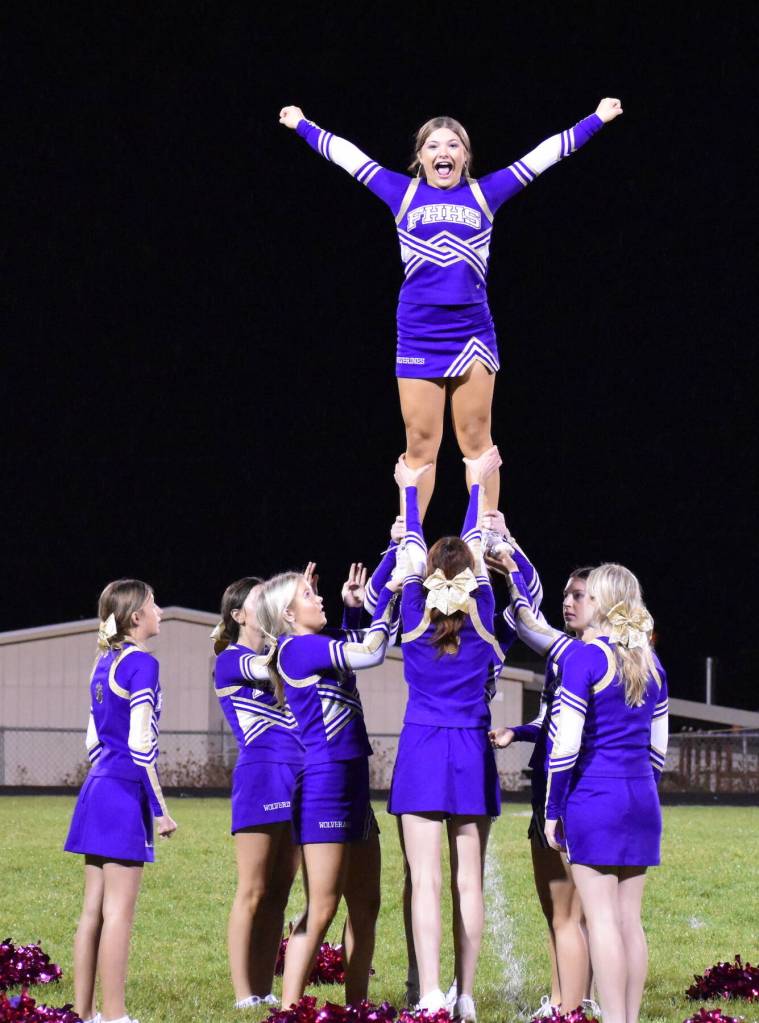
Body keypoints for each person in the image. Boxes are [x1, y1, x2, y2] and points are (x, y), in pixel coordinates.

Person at [279, 99, 623, 517]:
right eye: (434, 146)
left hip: (472, 331)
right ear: (420, 158)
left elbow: (543, 156)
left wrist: (596, 119)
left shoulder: (485, 193)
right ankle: (408, 541)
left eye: (454, 145)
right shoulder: (401, 192)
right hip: (419, 329)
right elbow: (349, 157)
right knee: (421, 443)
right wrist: (302, 125)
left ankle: (487, 536)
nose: (444, 152)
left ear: (465, 156)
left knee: (477, 439)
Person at [387, 445, 502, 1022]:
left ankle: (430, 992)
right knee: (469, 882)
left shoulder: (413, 610)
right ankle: (466, 994)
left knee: (426, 880)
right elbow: (473, 547)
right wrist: (476, 483)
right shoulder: (483, 612)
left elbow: (413, 544)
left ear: (430, 576)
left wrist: (410, 488)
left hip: (422, 747)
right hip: (471, 749)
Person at [254, 559, 400, 1007]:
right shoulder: (297, 650)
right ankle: (289, 1010)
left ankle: (357, 1006)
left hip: (353, 784)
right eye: (308, 594)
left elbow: (364, 643)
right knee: (322, 909)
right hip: (325, 787)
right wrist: (392, 591)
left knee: (366, 905)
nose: (319, 597)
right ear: (288, 616)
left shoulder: (319, 643)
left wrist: (357, 609)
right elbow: (374, 651)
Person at [543, 564, 669, 1023]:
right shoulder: (653, 665)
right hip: (641, 799)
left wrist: (553, 808)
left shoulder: (584, 658)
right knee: (629, 920)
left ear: (604, 603)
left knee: (600, 920)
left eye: (589, 596)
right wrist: (640, 795)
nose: (582, 603)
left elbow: (566, 745)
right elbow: (658, 753)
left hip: (595, 798)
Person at [488, 539, 594, 1016]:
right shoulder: (564, 654)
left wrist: (512, 557)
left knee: (577, 911)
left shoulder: (594, 657)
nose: (567, 602)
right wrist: (520, 731)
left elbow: (527, 618)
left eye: (579, 596)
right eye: (567, 594)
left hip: (574, 791)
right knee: (556, 910)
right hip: (545, 785)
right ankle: (562, 996)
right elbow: (555, 720)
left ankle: (577, 999)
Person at [64, 579, 177, 1023]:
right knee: (118, 915)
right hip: (123, 793)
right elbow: (141, 745)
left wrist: (107, 774)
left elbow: (93, 741)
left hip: (97, 788)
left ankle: (85, 1012)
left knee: (92, 910)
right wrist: (160, 809)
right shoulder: (142, 665)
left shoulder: (102, 662)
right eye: (155, 604)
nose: (161, 611)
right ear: (136, 618)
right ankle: (115, 1016)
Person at [212, 576, 304, 1009]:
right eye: (259, 601)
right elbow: (271, 667)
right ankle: (242, 993)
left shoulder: (279, 651)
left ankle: (265, 987)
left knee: (281, 891)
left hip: (300, 774)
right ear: (238, 615)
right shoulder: (230, 659)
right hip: (261, 776)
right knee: (252, 890)